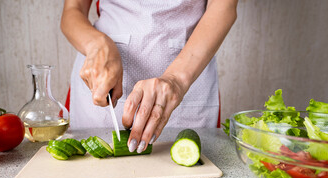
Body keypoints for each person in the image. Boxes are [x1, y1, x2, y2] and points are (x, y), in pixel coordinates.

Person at [61, 0, 238, 153]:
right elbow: (72, 10)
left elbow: (224, 5)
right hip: (102, 82)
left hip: (189, 75)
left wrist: (176, 80)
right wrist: (97, 45)